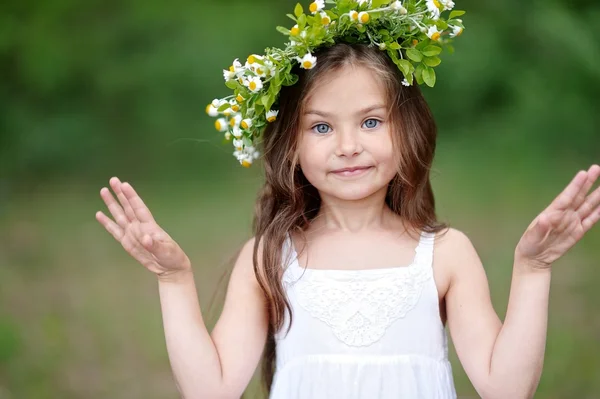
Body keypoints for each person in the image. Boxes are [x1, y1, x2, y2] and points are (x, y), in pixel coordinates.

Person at [95, 1, 600, 398]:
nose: (348, 145)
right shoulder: (269, 258)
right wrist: (174, 278)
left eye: (371, 121)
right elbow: (212, 389)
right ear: (290, 146)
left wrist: (533, 270)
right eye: (321, 126)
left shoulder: (444, 254)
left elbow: (507, 388)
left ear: (409, 133)